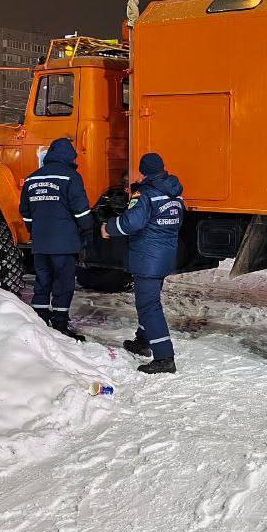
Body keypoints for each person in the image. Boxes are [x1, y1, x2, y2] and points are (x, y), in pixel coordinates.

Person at [102, 151, 184, 375]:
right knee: (149, 302)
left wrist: (109, 227)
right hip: (164, 255)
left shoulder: (145, 193)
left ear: (144, 170)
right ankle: (143, 340)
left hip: (148, 257)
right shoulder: (175, 192)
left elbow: (132, 222)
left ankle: (164, 357)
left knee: (149, 306)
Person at [19, 137, 93, 340]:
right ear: (70, 156)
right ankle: (60, 323)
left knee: (42, 280)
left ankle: (40, 319)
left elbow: (24, 211)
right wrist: (88, 233)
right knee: (63, 282)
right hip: (64, 244)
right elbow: (81, 211)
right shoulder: (71, 177)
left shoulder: (32, 178)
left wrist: (35, 230)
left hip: (40, 244)